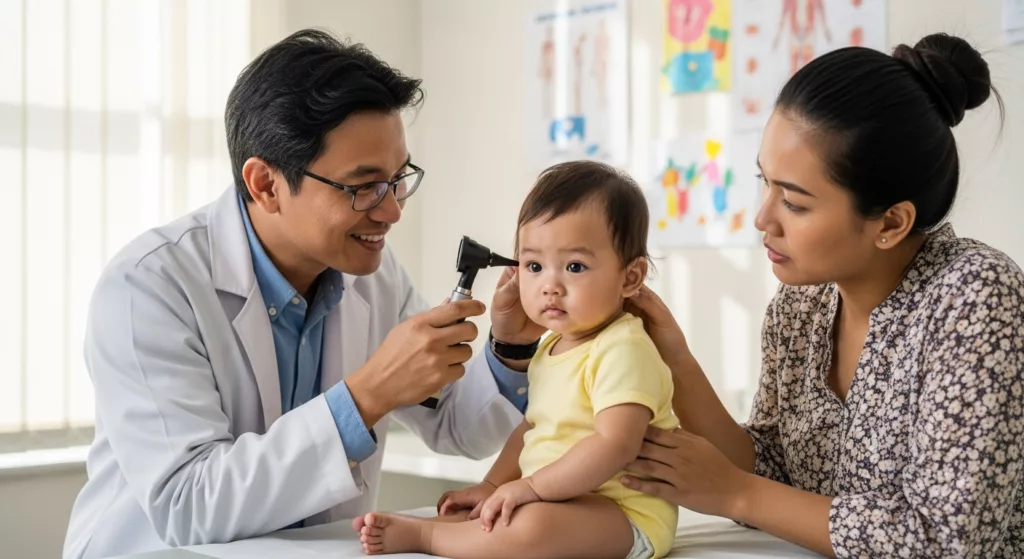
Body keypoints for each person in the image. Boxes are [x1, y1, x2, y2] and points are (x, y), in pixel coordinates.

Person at [62, 29, 546, 559]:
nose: (392, 210)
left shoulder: (374, 279)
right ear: (265, 185)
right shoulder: (148, 286)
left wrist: (509, 349)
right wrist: (365, 397)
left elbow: (457, 429)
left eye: (398, 177)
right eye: (363, 186)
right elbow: (189, 505)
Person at [618, 33, 1024, 558]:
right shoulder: (798, 310)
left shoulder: (975, 299)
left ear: (891, 222)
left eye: (795, 203)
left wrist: (736, 493)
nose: (763, 219)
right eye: (765, 183)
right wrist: (674, 358)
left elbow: (948, 543)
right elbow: (773, 469)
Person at [353, 161, 680, 559]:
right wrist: (492, 487)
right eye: (534, 266)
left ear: (630, 278)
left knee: (532, 525)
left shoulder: (623, 347)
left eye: (574, 267)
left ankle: (429, 539)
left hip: (624, 513)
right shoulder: (550, 347)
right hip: (562, 502)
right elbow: (529, 428)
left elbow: (616, 444)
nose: (549, 286)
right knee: (495, 513)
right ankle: (447, 526)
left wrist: (530, 488)